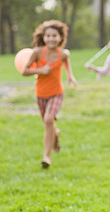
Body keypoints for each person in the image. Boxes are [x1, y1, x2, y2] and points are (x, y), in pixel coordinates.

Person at [22, 20, 77, 168]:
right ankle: (56, 135)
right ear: (44, 37)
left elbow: (66, 61)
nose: (51, 38)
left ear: (60, 37)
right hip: (40, 94)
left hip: (56, 93)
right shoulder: (37, 53)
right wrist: (40, 70)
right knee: (49, 124)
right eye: (48, 36)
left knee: (48, 120)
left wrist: (70, 75)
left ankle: (46, 156)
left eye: (54, 36)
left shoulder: (63, 54)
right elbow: (24, 71)